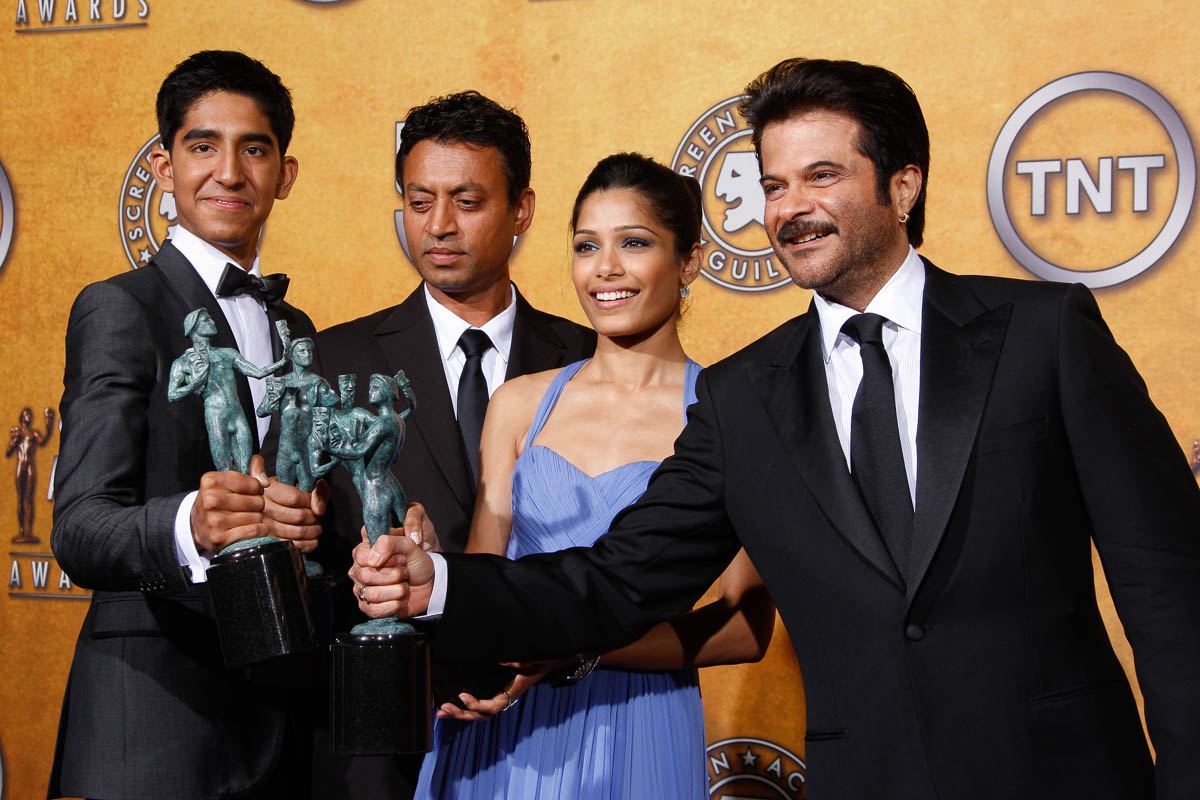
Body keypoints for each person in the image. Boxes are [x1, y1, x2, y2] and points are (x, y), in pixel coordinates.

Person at [352, 58, 1200, 799]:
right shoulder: (742, 397)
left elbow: (1169, 589)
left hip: (1063, 773)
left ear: (902, 185)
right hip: (865, 777)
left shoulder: (1042, 332)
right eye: (774, 184)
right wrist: (442, 585)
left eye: (821, 176)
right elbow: (615, 581)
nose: (791, 208)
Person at [406, 153, 774, 799]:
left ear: (688, 261)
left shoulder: (733, 414)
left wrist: (582, 653)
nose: (605, 268)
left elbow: (744, 628)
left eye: (634, 243)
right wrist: (439, 570)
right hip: (504, 724)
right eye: (586, 245)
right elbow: (490, 585)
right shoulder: (519, 403)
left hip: (639, 723)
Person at [49, 50, 324, 800]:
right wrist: (188, 525)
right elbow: (77, 525)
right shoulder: (120, 307)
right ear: (165, 168)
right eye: (203, 146)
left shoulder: (297, 327)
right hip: (153, 721)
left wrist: (311, 526)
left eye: (254, 148)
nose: (229, 172)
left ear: (284, 174)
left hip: (281, 725)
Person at [309, 90, 595, 798]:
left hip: (559, 722)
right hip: (381, 739)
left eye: (467, 201)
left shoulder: (592, 360)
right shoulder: (330, 362)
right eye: (418, 200)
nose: (438, 225)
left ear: (521, 209)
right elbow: (306, 567)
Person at [7, 405, 53, 543]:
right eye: (27, 414)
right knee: (21, 498)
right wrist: (12, 442)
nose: (29, 416)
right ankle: (21, 530)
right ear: (22, 417)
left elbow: (43, 441)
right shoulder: (18, 433)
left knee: (29, 499)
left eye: (30, 415)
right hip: (20, 465)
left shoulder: (33, 433)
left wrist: (49, 425)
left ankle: (28, 531)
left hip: (29, 467)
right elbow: (8, 452)